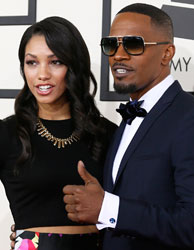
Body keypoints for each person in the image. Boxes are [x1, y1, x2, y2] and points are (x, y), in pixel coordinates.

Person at [63, 3, 194, 250]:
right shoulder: (125, 120)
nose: (119, 55)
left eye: (133, 44)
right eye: (111, 45)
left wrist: (108, 208)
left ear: (167, 53)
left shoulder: (191, 118)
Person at [2, 16, 117, 250]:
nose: (42, 74)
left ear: (74, 66)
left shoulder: (106, 133)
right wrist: (30, 242)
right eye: (32, 62)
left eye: (55, 62)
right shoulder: (7, 134)